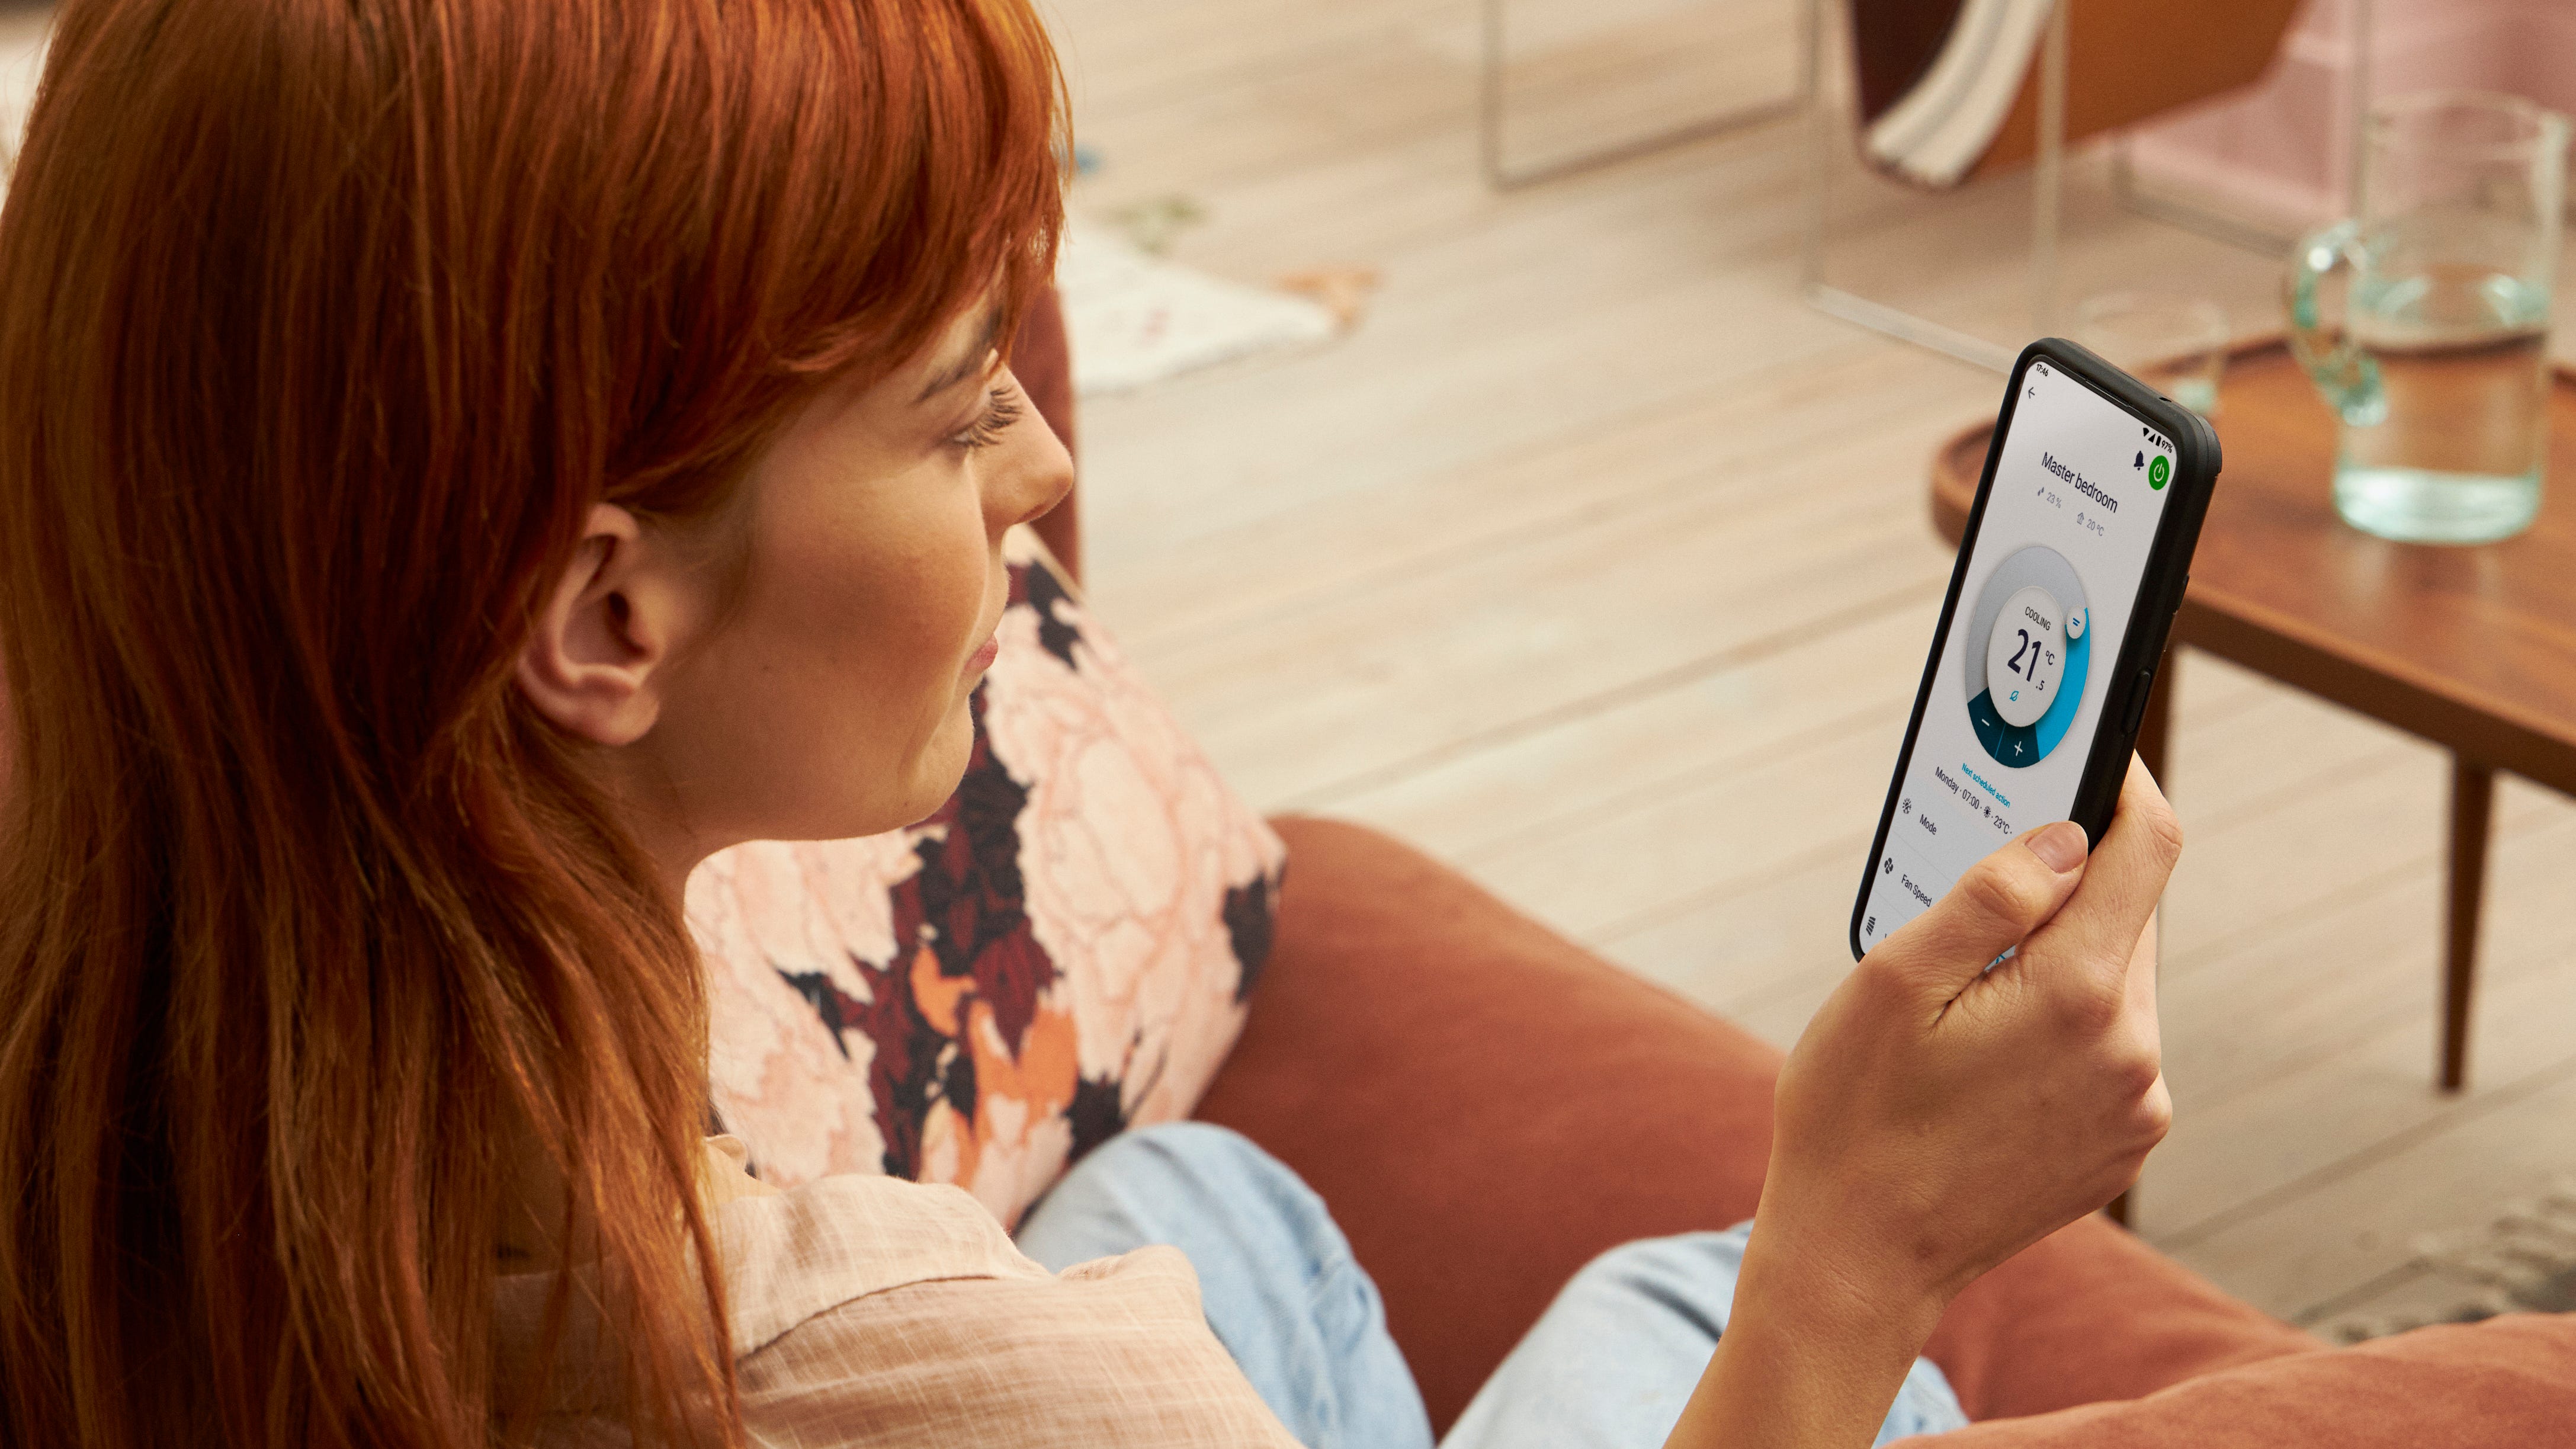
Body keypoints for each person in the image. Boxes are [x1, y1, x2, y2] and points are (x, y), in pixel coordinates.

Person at [0, 1, 2175, 1445]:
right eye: (958, 419)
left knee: (1208, 1191)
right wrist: (1857, 1258)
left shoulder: (129, 1067)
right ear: (602, 619)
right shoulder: (948, 1384)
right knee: (1727, 1298)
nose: (1044, 470)